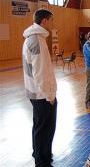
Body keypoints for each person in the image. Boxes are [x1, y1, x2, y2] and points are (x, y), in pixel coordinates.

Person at [22, 9, 57, 166]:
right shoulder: (37, 40)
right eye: (50, 20)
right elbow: (41, 72)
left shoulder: (33, 38)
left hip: (36, 92)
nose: (51, 24)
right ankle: (41, 160)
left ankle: (41, 154)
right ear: (44, 21)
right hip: (42, 94)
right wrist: (49, 95)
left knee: (40, 126)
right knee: (45, 127)